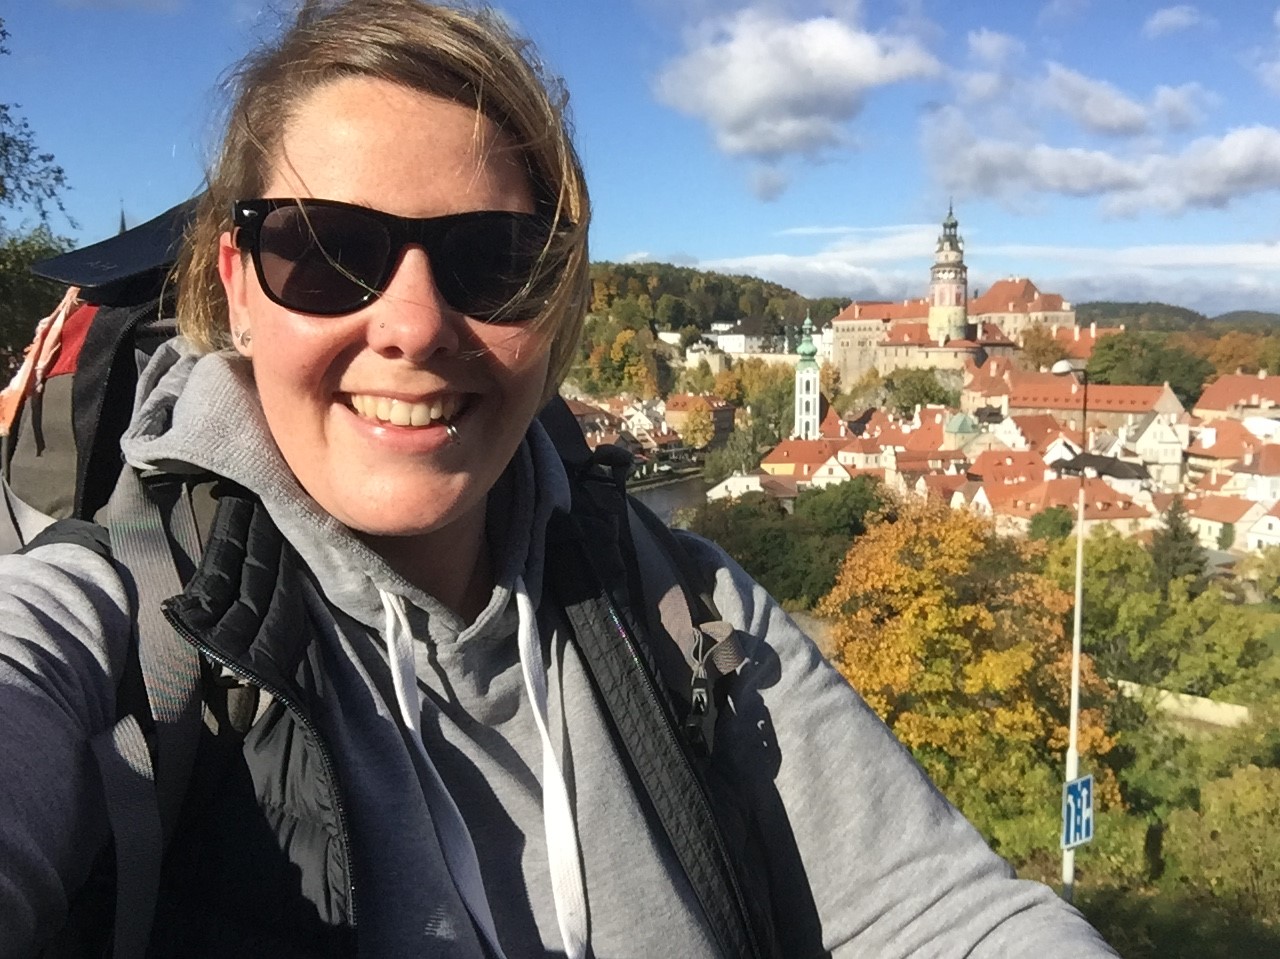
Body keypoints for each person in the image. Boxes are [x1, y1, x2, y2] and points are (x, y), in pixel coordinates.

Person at [0, 1, 1119, 956]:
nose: (415, 325)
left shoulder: (681, 606)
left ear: (557, 298)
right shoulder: (117, 622)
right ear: (238, 285)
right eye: (328, 249)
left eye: (491, 259)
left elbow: (937, 912)